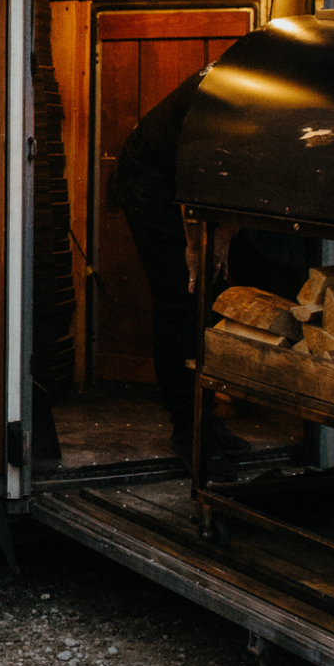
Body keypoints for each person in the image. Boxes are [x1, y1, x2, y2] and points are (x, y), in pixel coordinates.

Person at [109, 71, 229, 460]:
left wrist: (222, 242)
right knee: (182, 292)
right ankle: (187, 429)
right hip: (150, 176)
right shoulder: (224, 99)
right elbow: (194, 180)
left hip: (185, 176)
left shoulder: (266, 93)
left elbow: (242, 183)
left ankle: (207, 420)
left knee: (209, 293)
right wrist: (196, 248)